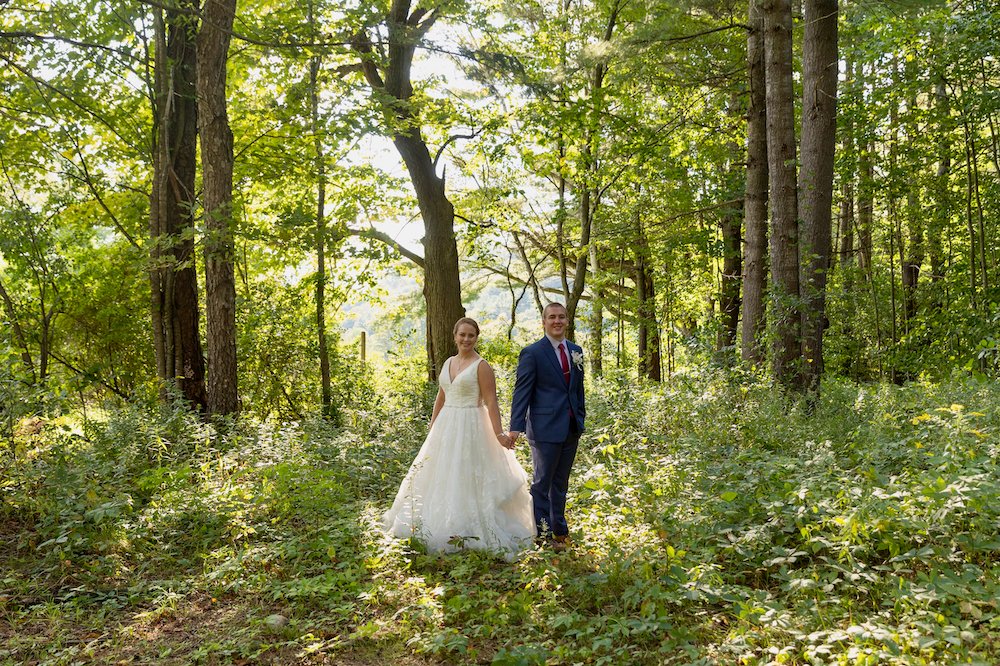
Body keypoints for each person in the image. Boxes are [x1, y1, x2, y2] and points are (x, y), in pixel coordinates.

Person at [383, 317, 535, 558]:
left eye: (471, 335)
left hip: (472, 425)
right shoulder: (448, 363)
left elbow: (491, 401)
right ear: (455, 336)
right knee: (440, 474)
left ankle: (471, 529)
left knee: (467, 475)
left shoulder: (481, 366)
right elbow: (441, 397)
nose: (466, 339)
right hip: (446, 426)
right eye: (462, 335)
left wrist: (498, 434)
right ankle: (440, 525)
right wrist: (433, 427)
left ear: (476, 338)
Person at [508, 302, 585, 550]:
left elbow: (578, 389)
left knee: (561, 483)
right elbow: (522, 392)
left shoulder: (575, 350)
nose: (557, 321)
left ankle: (560, 530)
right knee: (542, 484)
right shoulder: (533, 353)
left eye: (562, 317)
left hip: (571, 427)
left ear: (567, 321)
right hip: (544, 428)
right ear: (544, 321)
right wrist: (515, 428)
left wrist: (580, 416)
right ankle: (543, 534)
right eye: (552, 317)